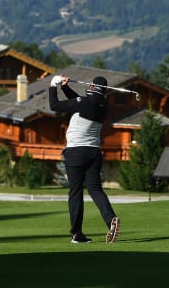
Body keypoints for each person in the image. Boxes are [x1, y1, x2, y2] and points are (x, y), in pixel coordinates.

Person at [49, 74, 120, 244]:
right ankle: (110, 220)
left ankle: (77, 233)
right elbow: (79, 102)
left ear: (91, 88)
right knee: (95, 189)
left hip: (75, 153)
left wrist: (53, 85)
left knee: (75, 192)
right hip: (94, 153)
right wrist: (65, 87)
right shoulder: (103, 105)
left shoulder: (83, 103)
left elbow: (54, 106)